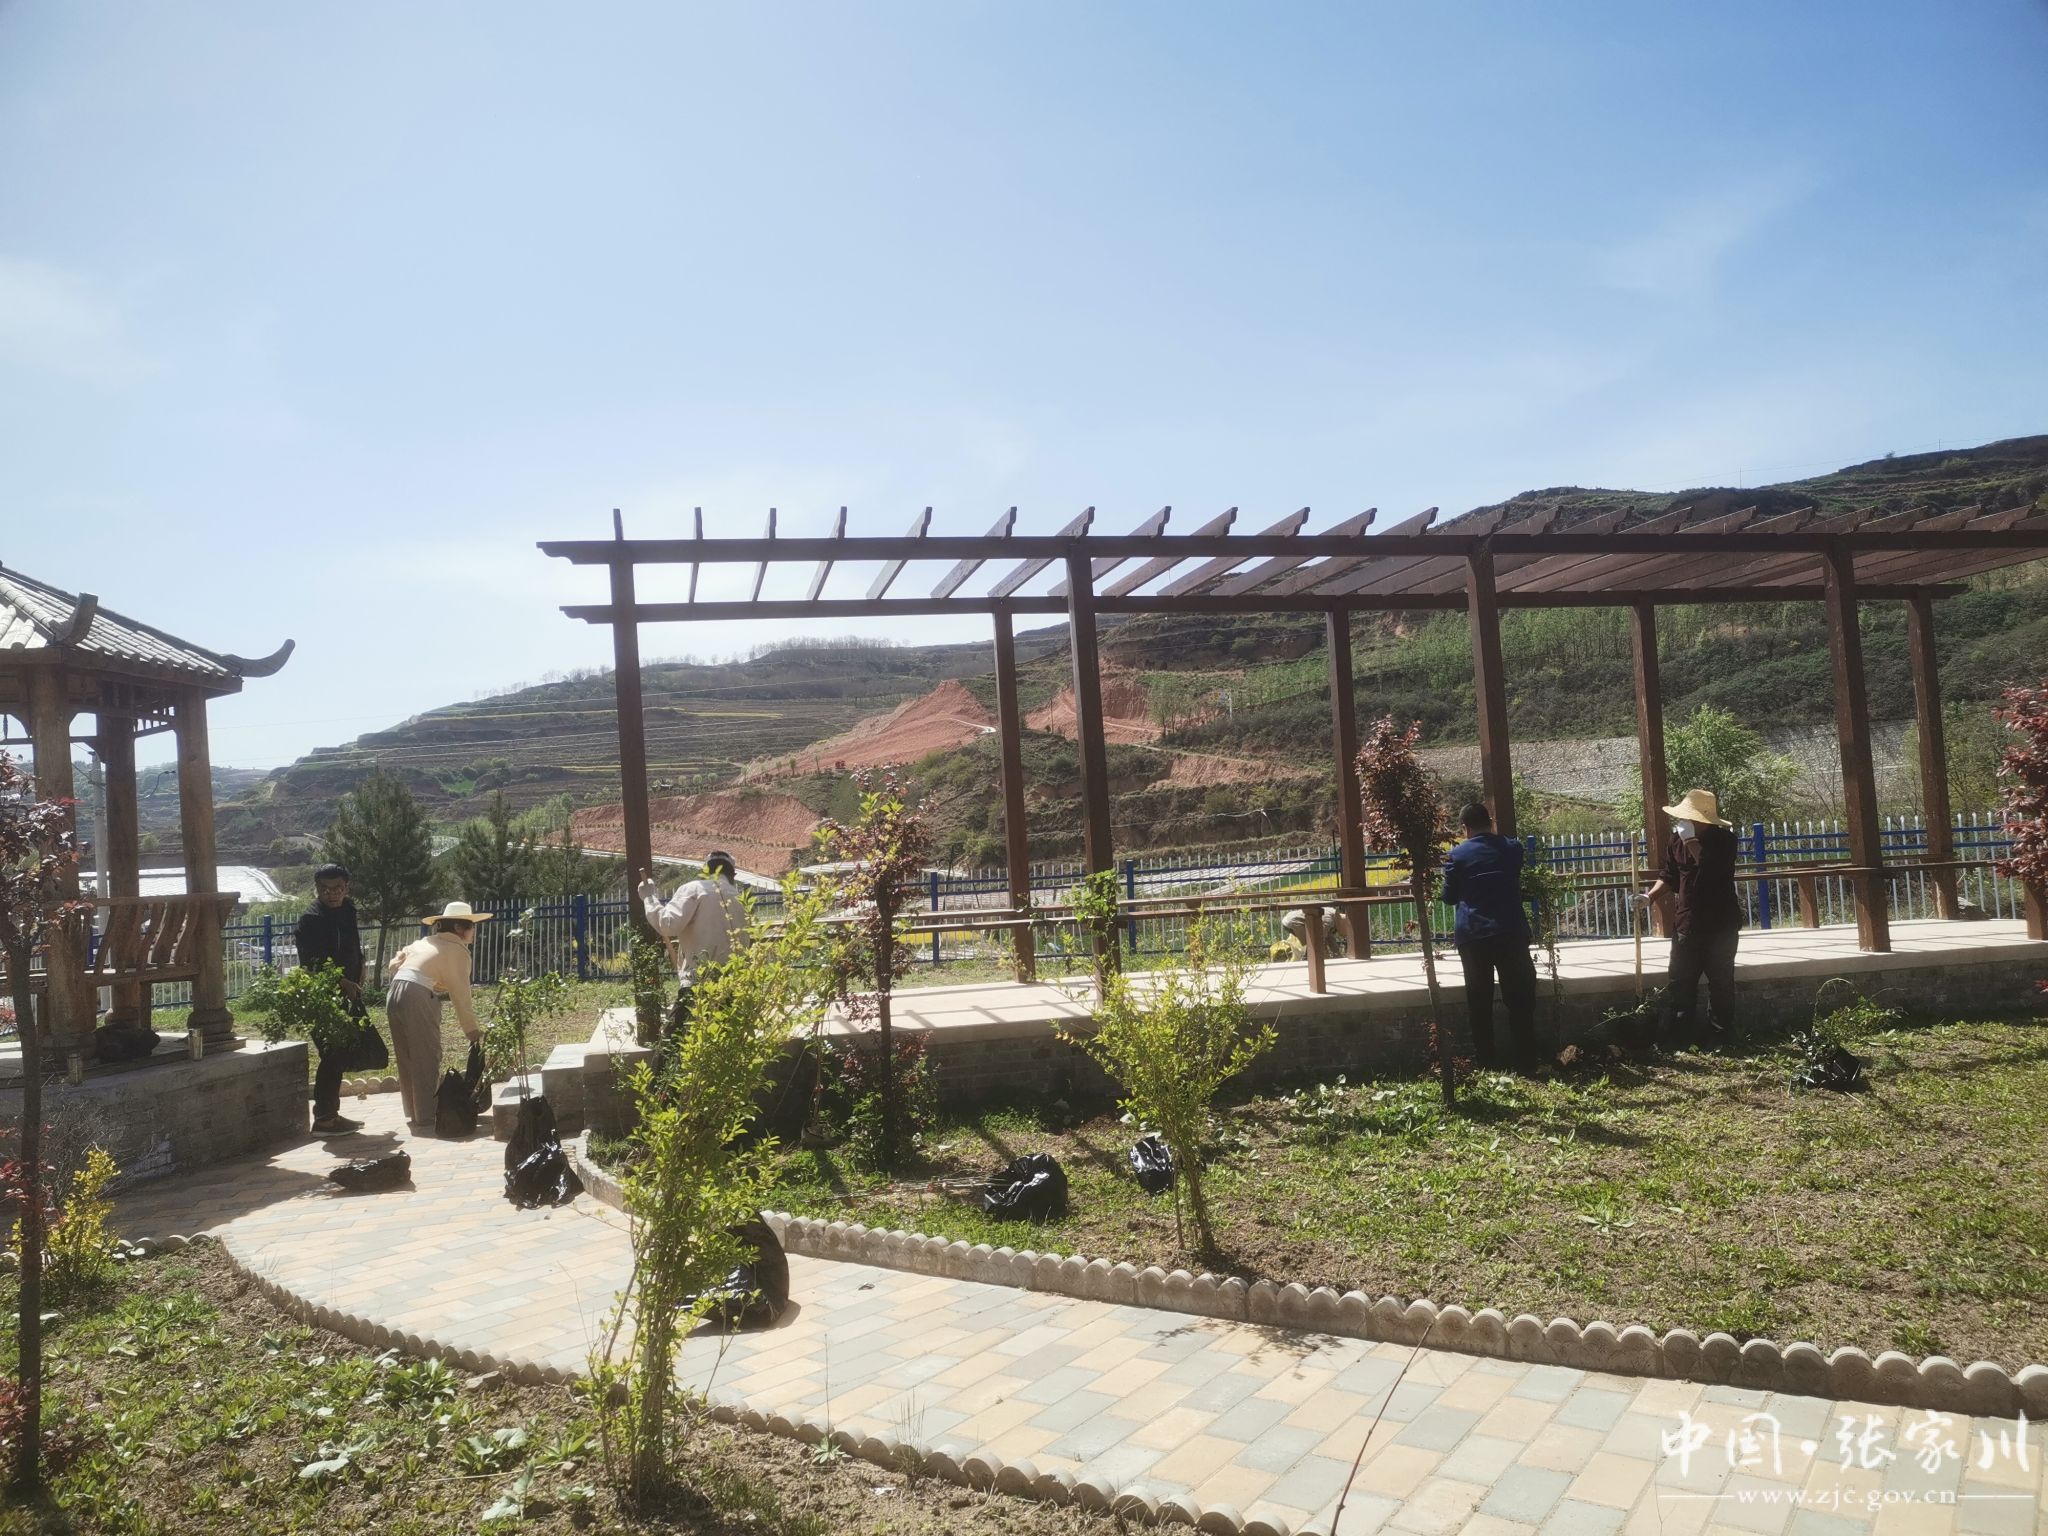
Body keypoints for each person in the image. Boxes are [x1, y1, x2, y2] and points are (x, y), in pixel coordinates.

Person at [1439, 802, 1540, 1072]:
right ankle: (1526, 1062)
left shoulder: (1456, 856)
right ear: (1491, 821)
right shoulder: (1513, 848)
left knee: (1479, 1001)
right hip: (1511, 931)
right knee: (1520, 999)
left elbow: (1449, 897)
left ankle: (1487, 1063)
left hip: (1474, 935)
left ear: (1465, 828)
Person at [1639, 788, 1743, 1047]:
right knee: (1681, 981)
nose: (1684, 821)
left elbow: (1711, 869)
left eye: (1690, 817)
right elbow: (1669, 875)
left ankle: (1720, 1035)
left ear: (1702, 819)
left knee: (1720, 982)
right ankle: (1679, 1035)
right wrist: (1649, 897)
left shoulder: (1725, 841)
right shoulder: (1677, 840)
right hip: (1687, 922)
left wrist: (1691, 842)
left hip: (1721, 924)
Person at [382, 901, 493, 1136]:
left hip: (395, 991)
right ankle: (427, 1114)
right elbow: (461, 994)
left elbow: (393, 965)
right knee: (426, 1055)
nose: (474, 931)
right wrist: (472, 1031)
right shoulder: (457, 951)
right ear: (460, 928)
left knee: (406, 1055)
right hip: (418, 994)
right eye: (471, 926)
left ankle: (414, 1111)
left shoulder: (424, 942)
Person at [296, 862, 378, 1135]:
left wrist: (361, 964)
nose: (331, 894)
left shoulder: (347, 909)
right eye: (325, 889)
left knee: (342, 1052)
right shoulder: (311, 919)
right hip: (323, 997)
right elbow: (311, 963)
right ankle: (324, 1119)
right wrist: (341, 982)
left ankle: (330, 1115)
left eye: (337, 888)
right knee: (332, 1053)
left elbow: (352, 942)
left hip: (348, 993)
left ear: (347, 887)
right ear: (317, 889)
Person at [637, 851, 748, 1036]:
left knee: (672, 1043)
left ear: (705, 870)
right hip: (731, 985)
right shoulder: (739, 898)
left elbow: (667, 924)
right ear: (732, 875)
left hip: (698, 983)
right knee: (725, 1041)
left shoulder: (694, 889)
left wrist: (649, 898)